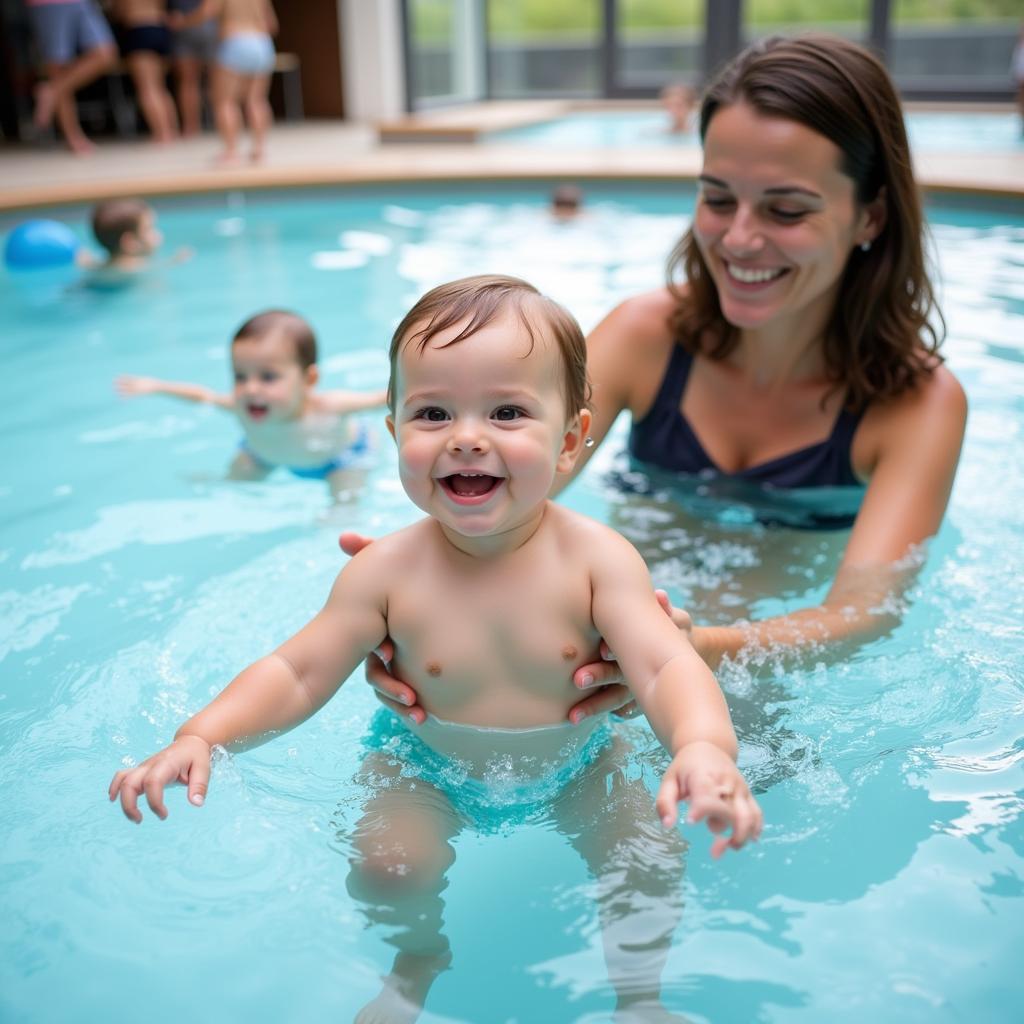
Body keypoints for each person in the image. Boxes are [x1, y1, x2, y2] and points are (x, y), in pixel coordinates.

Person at [109, 275, 762, 1023]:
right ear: (394, 434)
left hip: (582, 764)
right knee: (387, 868)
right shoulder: (385, 570)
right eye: (432, 413)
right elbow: (297, 670)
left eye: (508, 411)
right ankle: (416, 963)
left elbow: (665, 662)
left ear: (573, 438)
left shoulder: (598, 560)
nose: (466, 436)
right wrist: (201, 736)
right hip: (424, 766)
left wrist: (704, 747)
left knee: (647, 856)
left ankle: (639, 996)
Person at [346, 34, 968, 728]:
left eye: (786, 210)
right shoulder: (647, 337)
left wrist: (693, 648)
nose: (737, 239)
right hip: (592, 630)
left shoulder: (915, 404)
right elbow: (506, 467)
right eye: (717, 198)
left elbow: (863, 613)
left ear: (870, 216)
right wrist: (408, 601)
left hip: (751, 652)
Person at [115, 309, 386, 494]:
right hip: (264, 456)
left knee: (342, 507)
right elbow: (204, 397)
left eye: (268, 377)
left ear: (309, 379)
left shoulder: (330, 408)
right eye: (240, 376)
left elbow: (381, 399)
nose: (250, 388)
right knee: (234, 483)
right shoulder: (239, 405)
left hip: (336, 461)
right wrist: (157, 386)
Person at [168, 0, 277, 163]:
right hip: (262, 43)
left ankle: (231, 151)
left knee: (225, 101)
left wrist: (183, 22)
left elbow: (207, 12)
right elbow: (272, 24)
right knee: (257, 100)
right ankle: (259, 149)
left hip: (235, 41)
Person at [27, 0, 118, 154]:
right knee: (58, 68)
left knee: (106, 54)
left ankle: (51, 91)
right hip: (48, 3)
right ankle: (73, 138)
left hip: (82, 2)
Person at [112, 0, 179, 143]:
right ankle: (172, 131)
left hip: (138, 28)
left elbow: (120, 11)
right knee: (161, 87)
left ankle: (162, 134)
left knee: (147, 88)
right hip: (160, 28)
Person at [167, 0, 218, 136]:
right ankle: (220, 122)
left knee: (190, 82)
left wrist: (184, 22)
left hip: (189, 28)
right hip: (208, 28)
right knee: (213, 82)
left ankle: (192, 127)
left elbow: (209, 9)